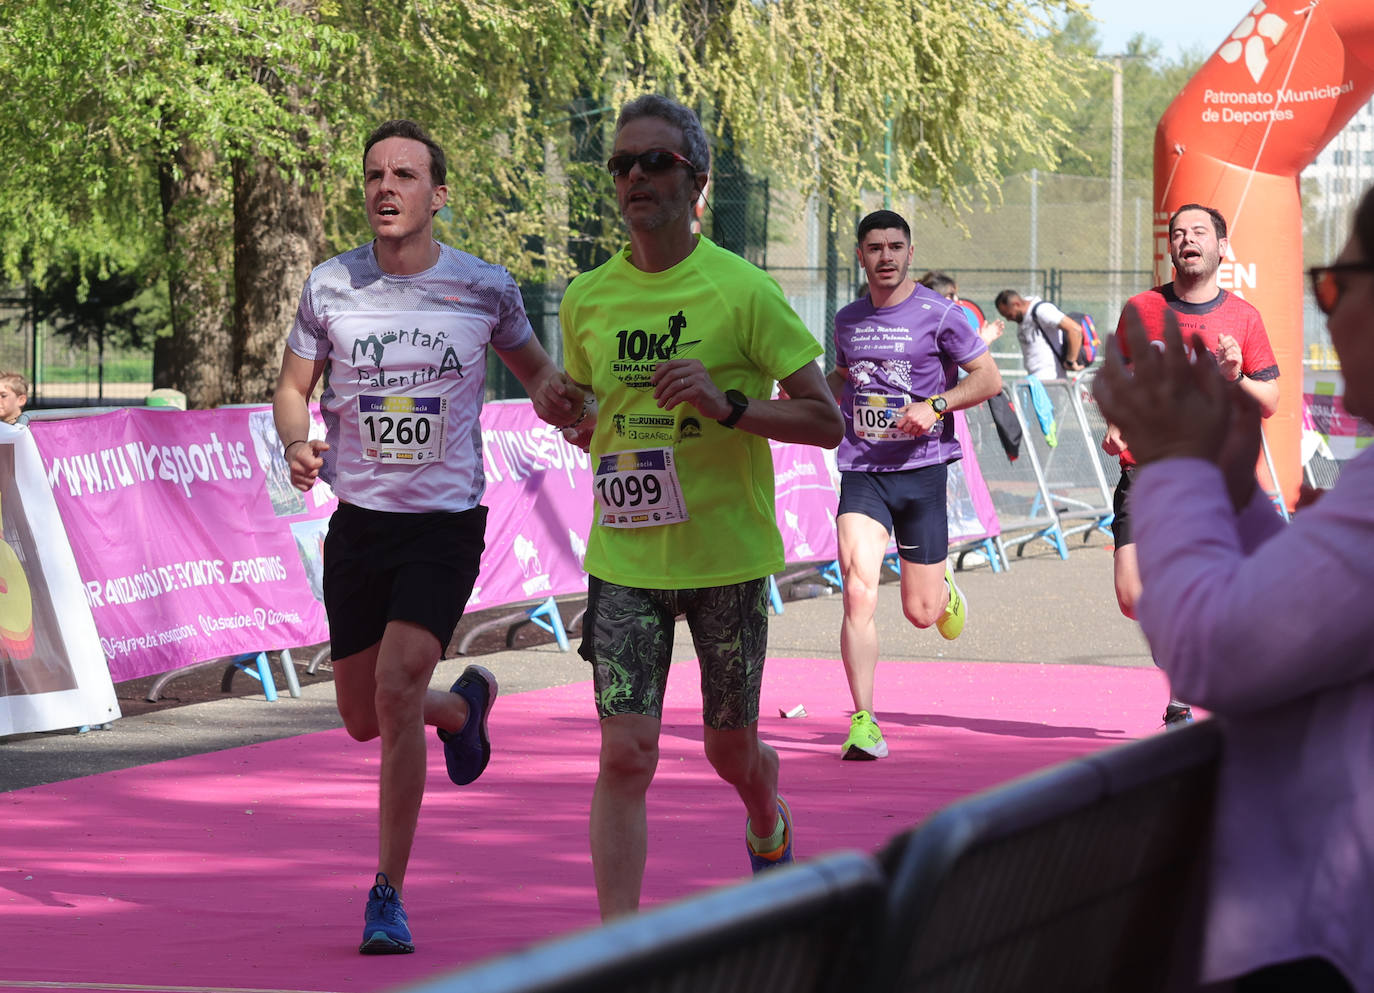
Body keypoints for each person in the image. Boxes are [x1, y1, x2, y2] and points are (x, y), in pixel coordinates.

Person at [272, 119, 581, 954]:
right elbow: (293, 386)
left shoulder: (483, 288)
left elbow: (538, 374)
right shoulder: (330, 284)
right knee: (364, 715)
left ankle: (386, 893)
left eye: (404, 174)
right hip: (360, 526)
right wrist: (296, 440)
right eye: (374, 174)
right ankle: (464, 708)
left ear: (436, 194)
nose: (385, 187)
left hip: (445, 523)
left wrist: (574, 407)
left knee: (399, 684)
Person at [556, 94, 844, 919]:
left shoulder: (742, 291)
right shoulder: (587, 298)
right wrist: (573, 414)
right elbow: (594, 418)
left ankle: (767, 810)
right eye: (621, 164)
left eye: (656, 162)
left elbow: (825, 421)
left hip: (726, 556)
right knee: (626, 755)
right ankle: (621, 946)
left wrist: (728, 407)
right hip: (626, 560)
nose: (636, 176)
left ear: (697, 182)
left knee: (729, 749)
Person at [1088, 185, 1374, 993]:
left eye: (1336, 284)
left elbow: (1215, 648)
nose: (1328, 309)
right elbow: (1296, 606)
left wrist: (1176, 462)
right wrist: (1226, 476)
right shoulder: (1142, 310)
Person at [831, 216, 1002, 760]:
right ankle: (865, 722)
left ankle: (942, 588)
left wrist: (935, 406)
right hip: (863, 470)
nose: (886, 256)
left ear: (910, 252)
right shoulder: (848, 320)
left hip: (923, 471)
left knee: (921, 613)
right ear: (860, 255)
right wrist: (805, 391)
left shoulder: (941, 314)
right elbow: (842, 375)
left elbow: (987, 379)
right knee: (858, 589)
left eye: (896, 247)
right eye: (875, 248)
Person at [1106, 203, 1279, 727]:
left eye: (1199, 232)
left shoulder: (1244, 318)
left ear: (1221, 247)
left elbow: (1269, 398)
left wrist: (1233, 378)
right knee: (1133, 598)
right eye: (1179, 233)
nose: (1188, 240)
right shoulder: (1141, 308)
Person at [994, 288, 1087, 379]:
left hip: (1050, 378)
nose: (1008, 320)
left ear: (1016, 304)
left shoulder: (1042, 311)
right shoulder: (1024, 315)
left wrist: (1070, 361)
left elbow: (1075, 330)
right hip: (1035, 378)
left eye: (1009, 315)